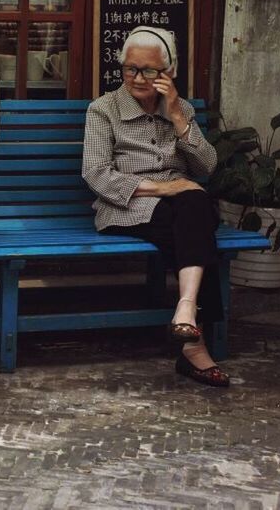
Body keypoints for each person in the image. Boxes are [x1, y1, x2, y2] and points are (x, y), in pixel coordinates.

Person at [81, 26, 230, 387]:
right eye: (131, 69)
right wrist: (167, 188)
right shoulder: (104, 109)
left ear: (169, 72)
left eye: (149, 70)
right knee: (194, 212)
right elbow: (97, 174)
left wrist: (179, 118)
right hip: (126, 207)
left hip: (181, 208)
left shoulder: (181, 109)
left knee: (191, 209)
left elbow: (207, 167)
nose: (138, 78)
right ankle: (193, 338)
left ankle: (186, 311)